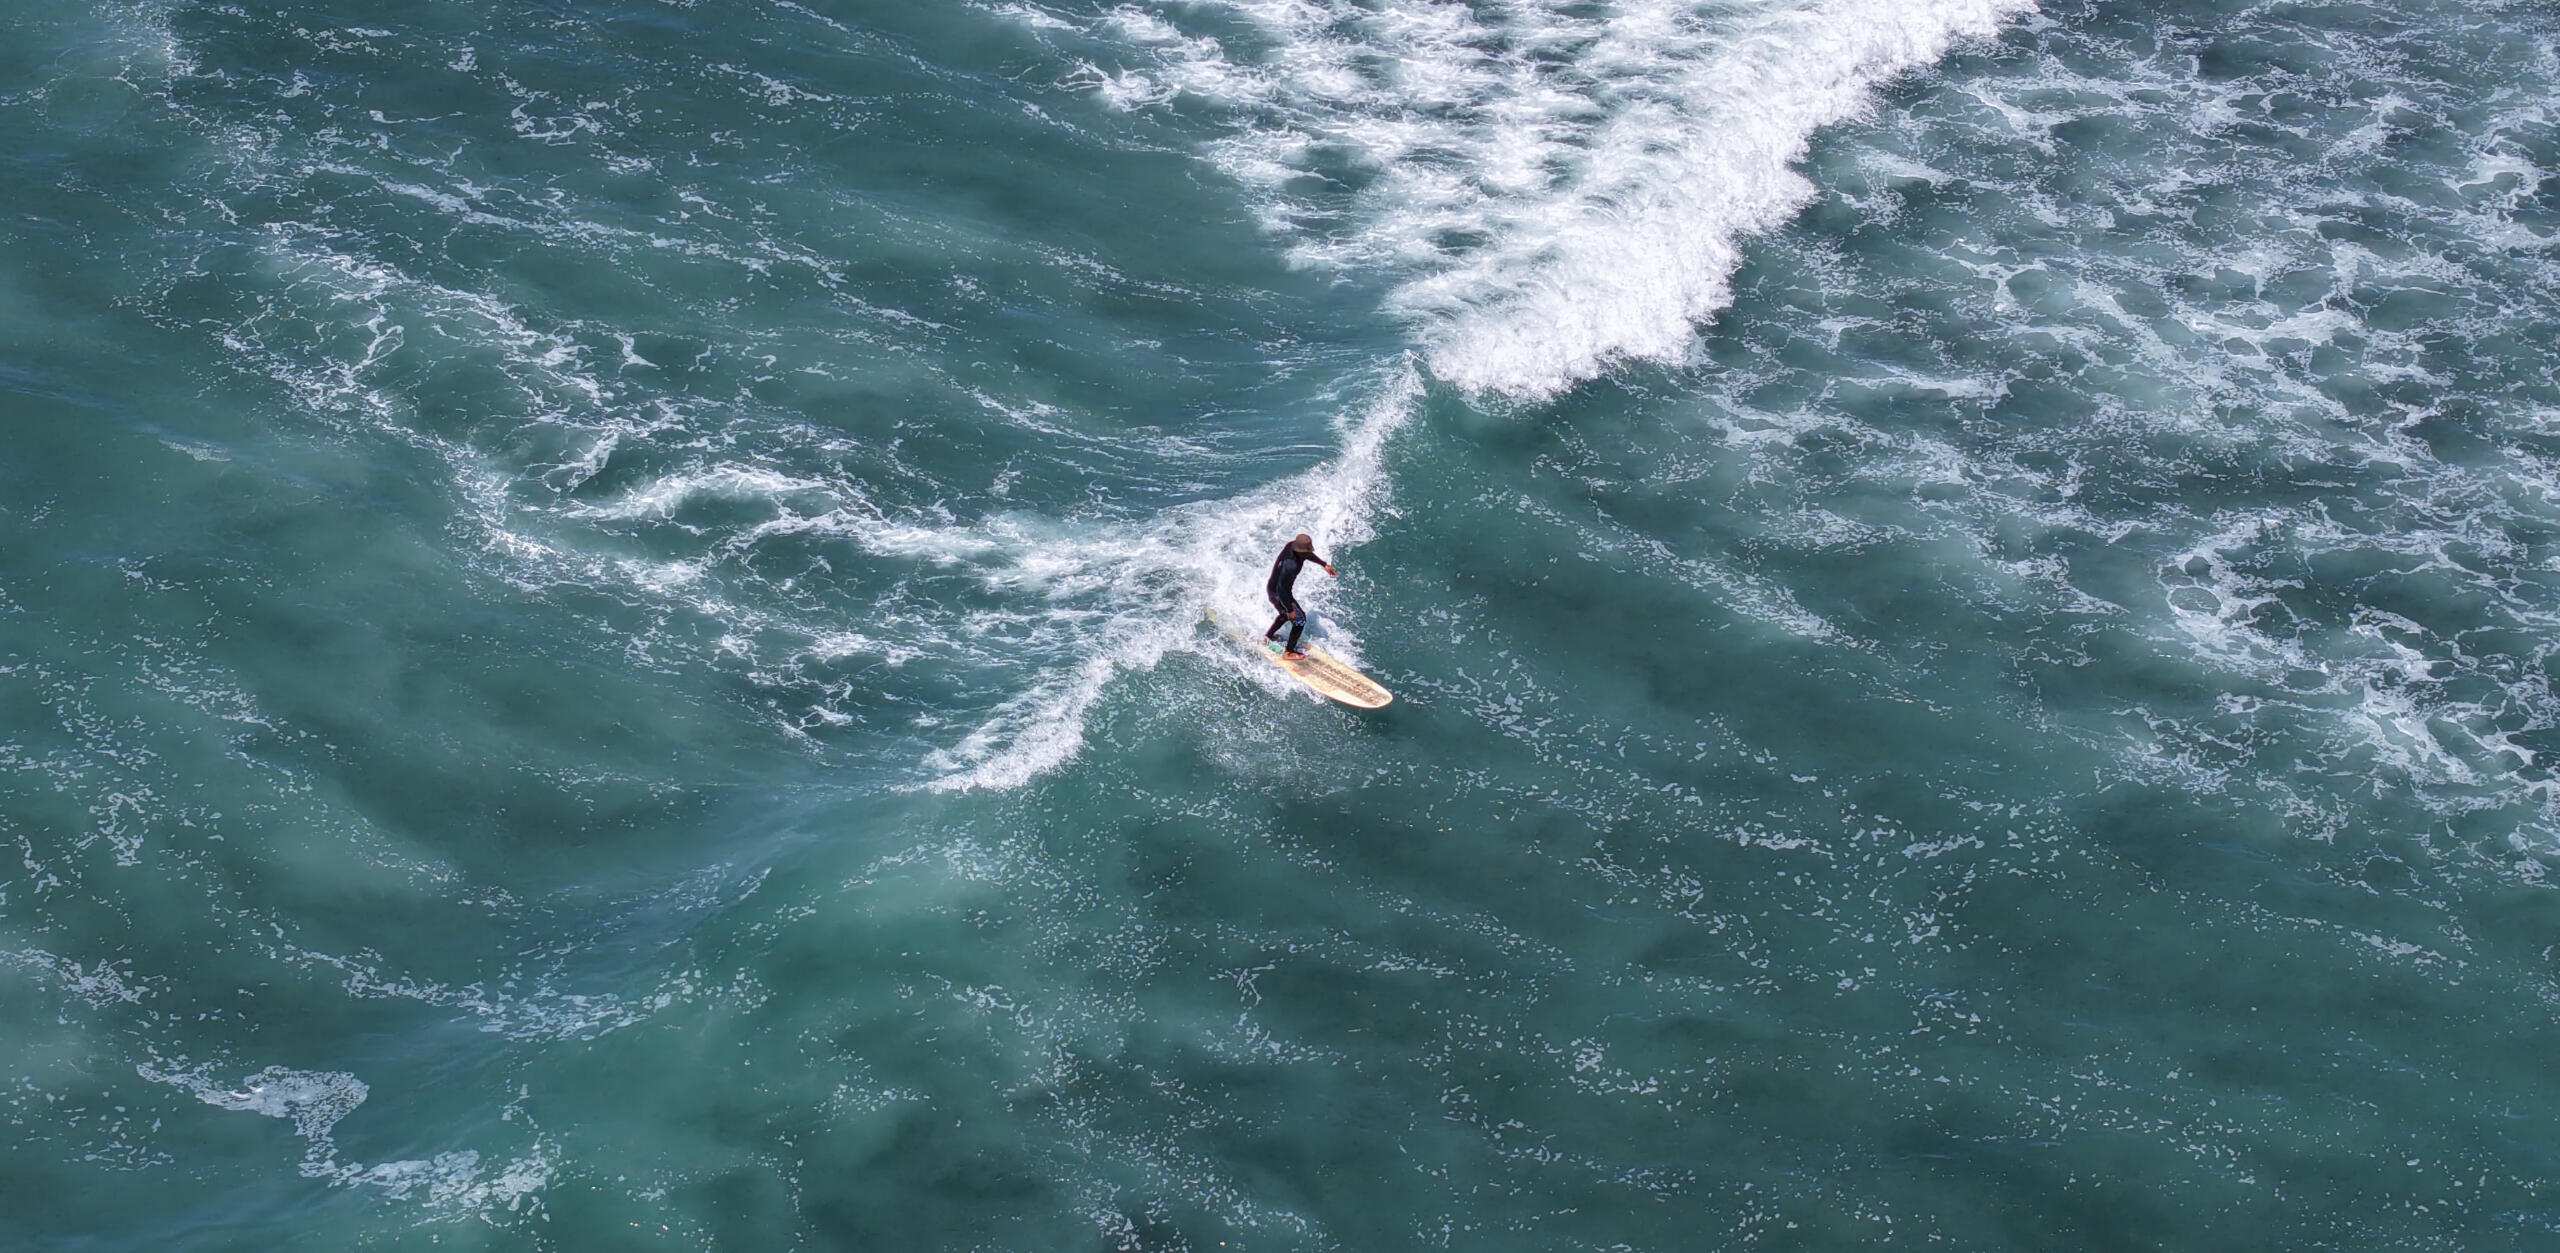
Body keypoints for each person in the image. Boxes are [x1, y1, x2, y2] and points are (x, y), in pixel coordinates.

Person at [1264, 532, 1336, 659]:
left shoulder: (1291, 546)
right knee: (1300, 620)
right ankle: (1288, 652)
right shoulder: (1291, 566)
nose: (1308, 553)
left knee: (1285, 615)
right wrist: (1290, 609)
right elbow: (1282, 589)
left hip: (1273, 588)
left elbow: (1307, 554)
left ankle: (1268, 637)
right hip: (1278, 593)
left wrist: (1324, 564)